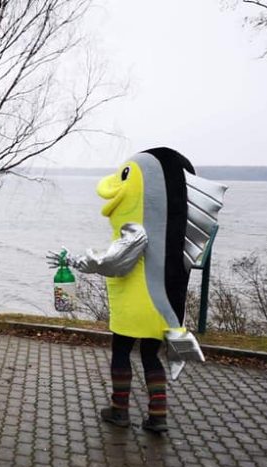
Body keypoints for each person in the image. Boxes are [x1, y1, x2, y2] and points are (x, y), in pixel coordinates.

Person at [49, 147, 226, 434]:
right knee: (149, 355)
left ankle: (119, 409)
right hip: (162, 307)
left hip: (136, 306)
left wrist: (72, 260)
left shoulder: (138, 230)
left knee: (121, 351)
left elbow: (111, 261)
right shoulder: (171, 234)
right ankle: (158, 415)